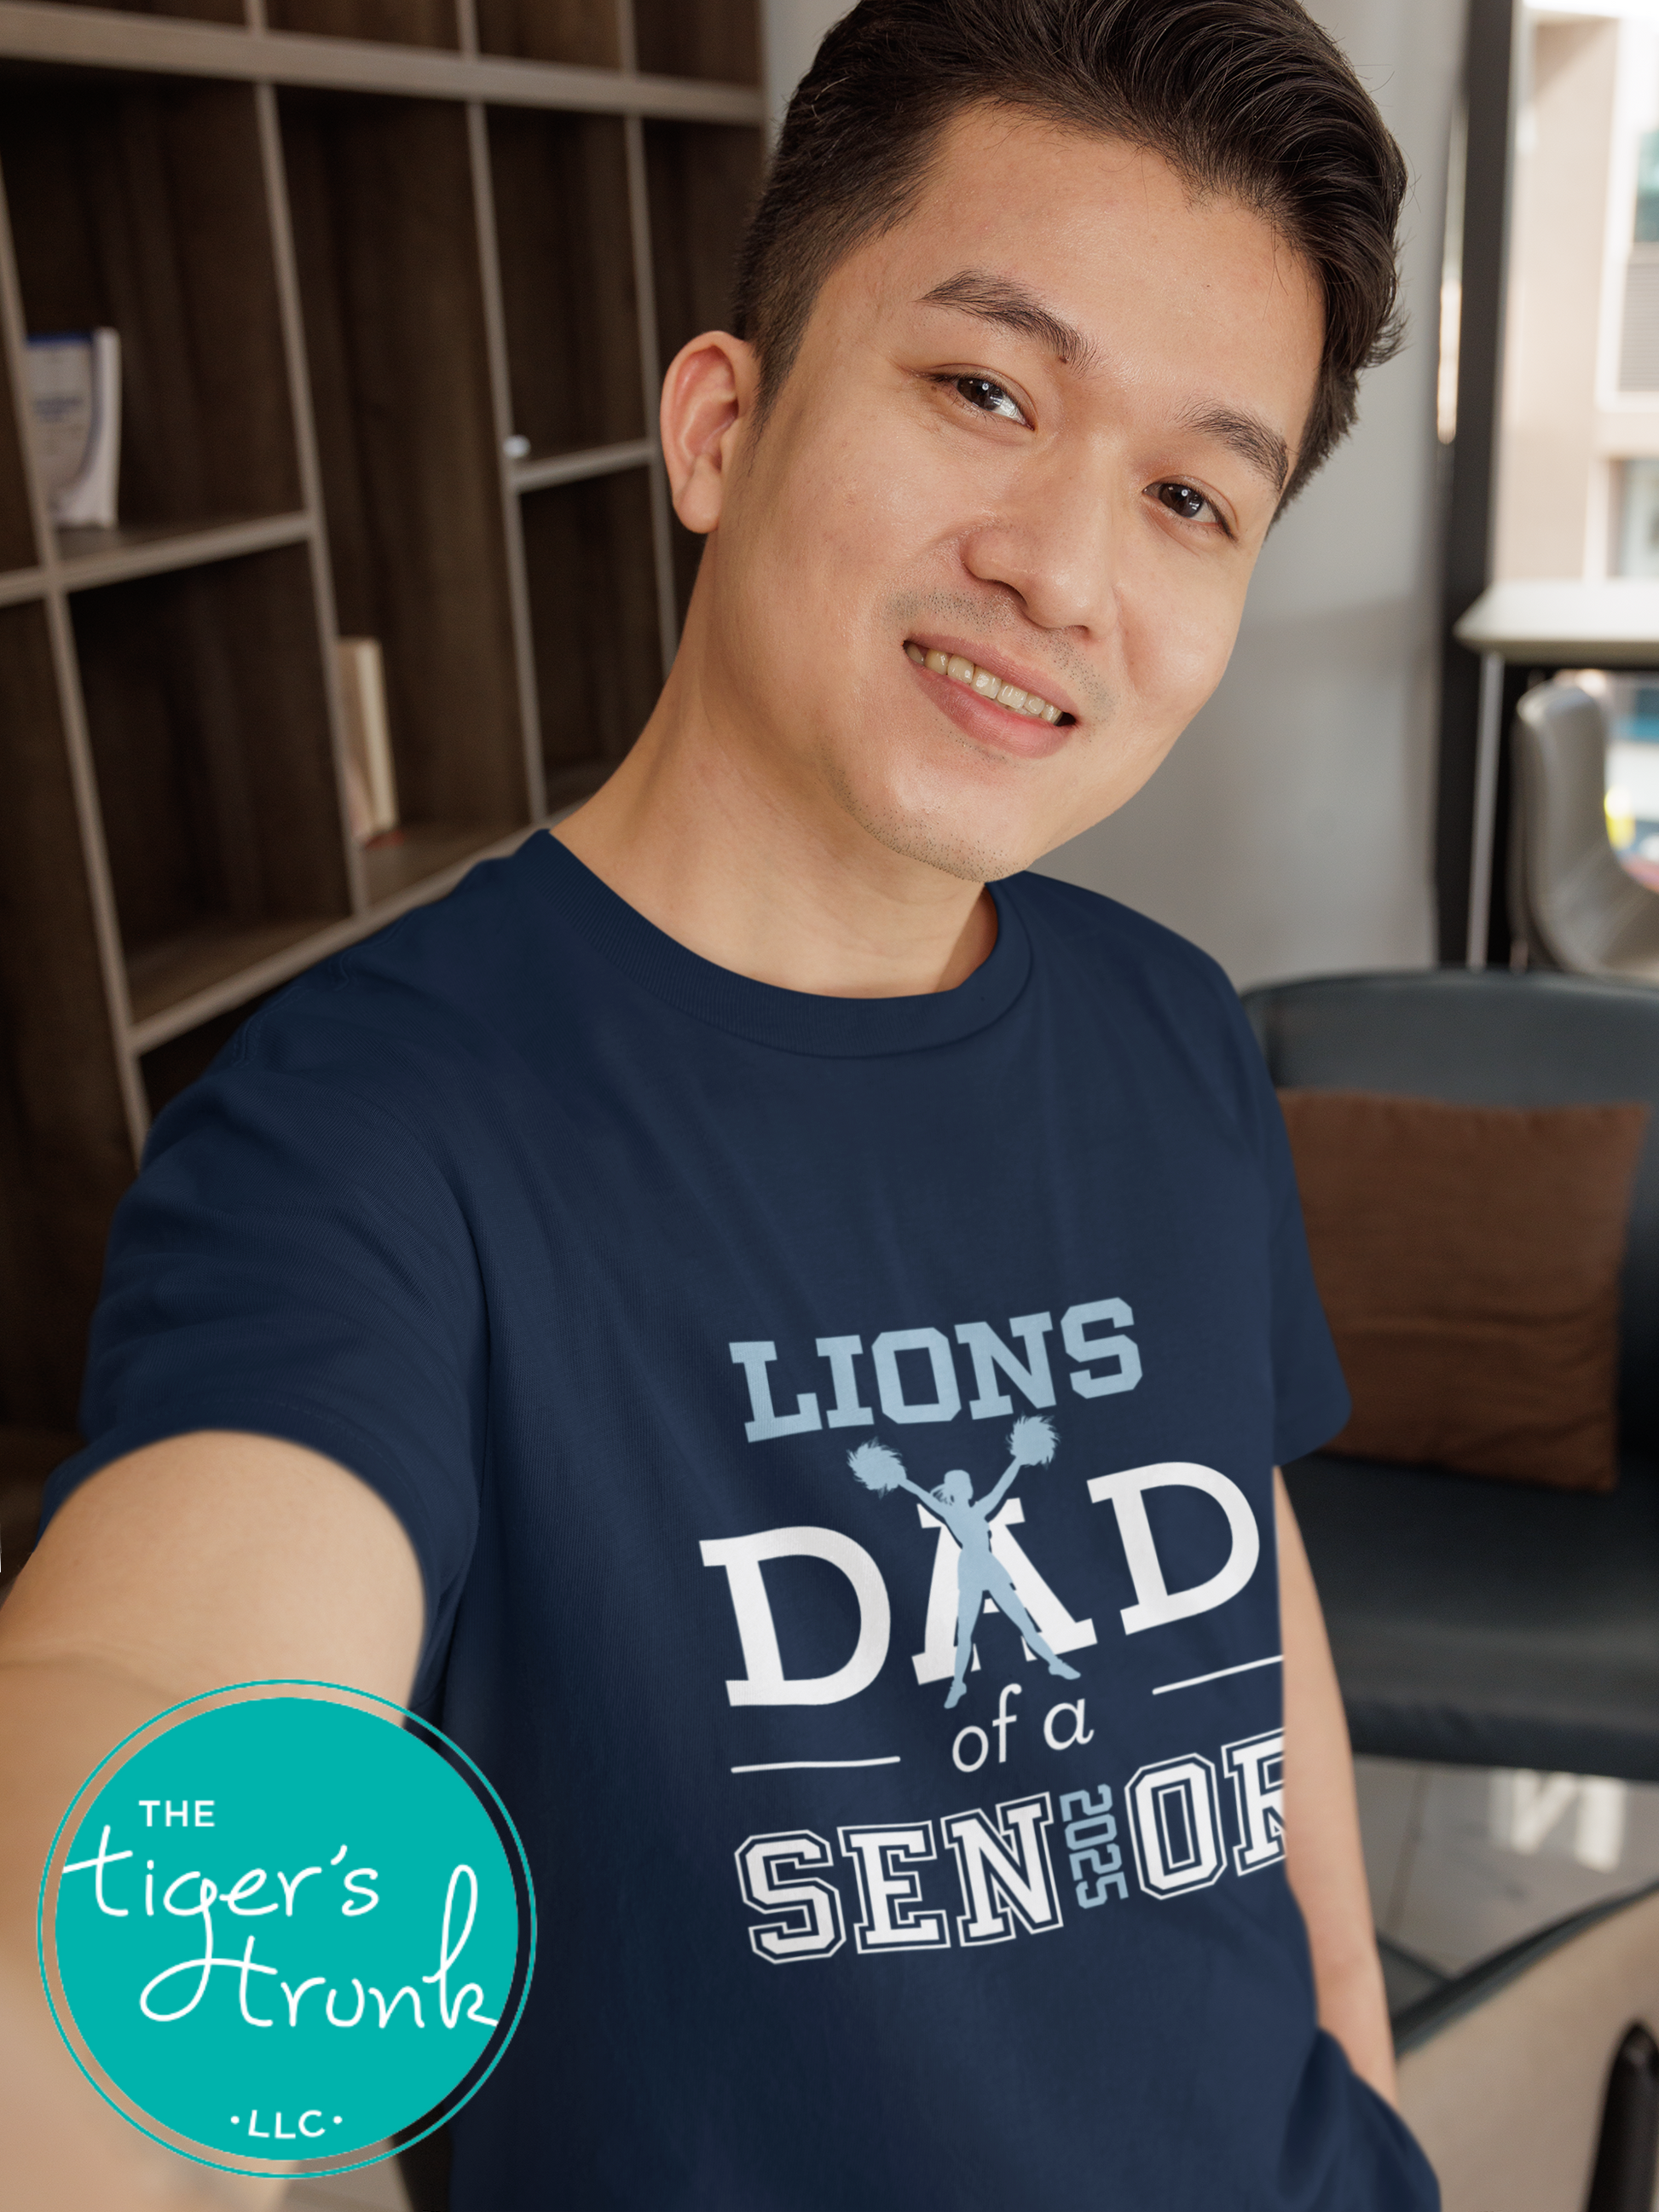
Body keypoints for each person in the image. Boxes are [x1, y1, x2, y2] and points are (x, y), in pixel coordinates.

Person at [0, 1, 1437, 2205]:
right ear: (716, 423)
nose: (1065, 568)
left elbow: (1243, 1586)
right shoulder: (363, 1141)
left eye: (1189, 495)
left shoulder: (1170, 1030)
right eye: (983, 388)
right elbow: (149, 1714)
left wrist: (1360, 2051)